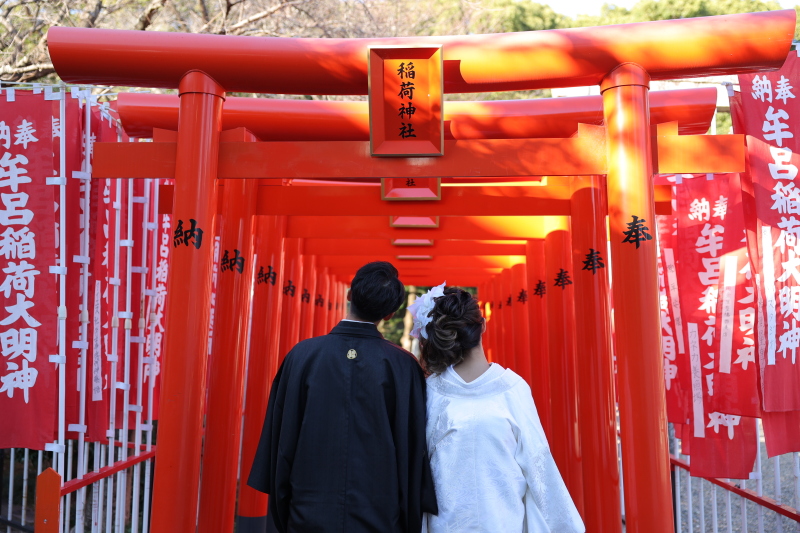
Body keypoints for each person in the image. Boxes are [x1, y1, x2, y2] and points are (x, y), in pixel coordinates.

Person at [247, 261, 438, 533]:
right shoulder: (403, 366)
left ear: (349, 294)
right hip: (381, 515)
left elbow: (281, 439)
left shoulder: (302, 355)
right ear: (390, 313)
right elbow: (412, 447)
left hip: (307, 512)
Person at [409, 283, 584, 533]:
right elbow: (538, 463)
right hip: (502, 521)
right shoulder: (512, 388)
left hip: (445, 524)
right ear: (482, 325)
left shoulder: (432, 392)